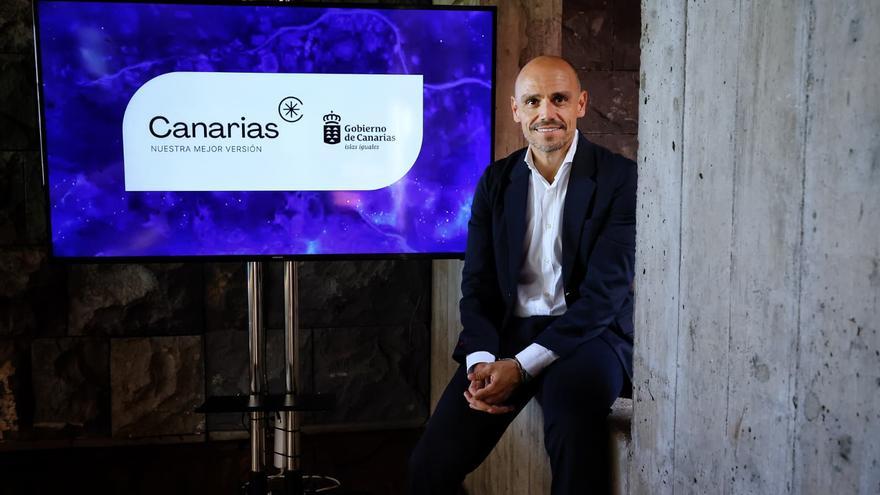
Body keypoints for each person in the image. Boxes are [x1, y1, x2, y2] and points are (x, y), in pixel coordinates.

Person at [408, 55, 636, 494]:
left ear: (581, 104)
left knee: (573, 429)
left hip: (590, 336)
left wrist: (521, 367)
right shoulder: (496, 181)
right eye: (533, 101)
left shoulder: (620, 179)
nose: (546, 112)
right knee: (428, 468)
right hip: (509, 332)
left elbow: (604, 297)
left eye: (559, 99)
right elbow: (477, 285)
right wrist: (482, 362)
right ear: (516, 110)